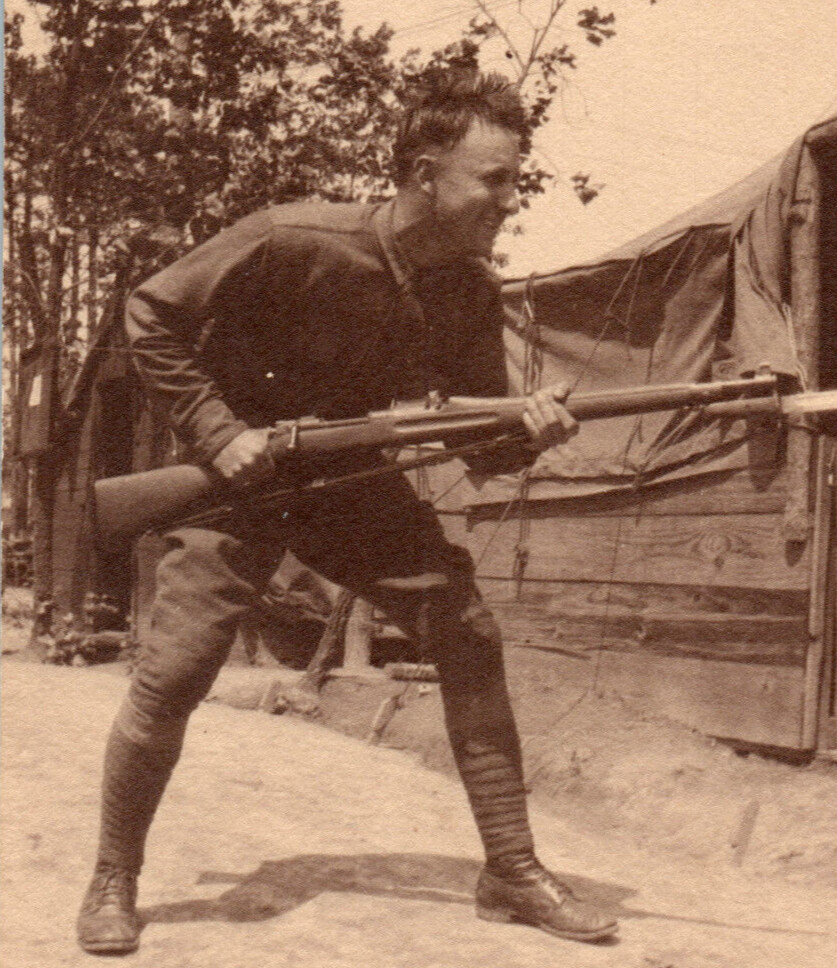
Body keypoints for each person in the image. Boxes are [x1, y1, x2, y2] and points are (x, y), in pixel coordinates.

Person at [76, 69, 619, 955]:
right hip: (239, 486)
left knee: (467, 632)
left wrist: (532, 433)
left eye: (513, 179)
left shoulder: (469, 291)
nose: (508, 199)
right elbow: (150, 312)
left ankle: (510, 870)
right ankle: (112, 877)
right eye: (494, 179)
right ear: (422, 173)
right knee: (172, 676)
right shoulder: (291, 238)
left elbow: (483, 442)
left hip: (354, 491)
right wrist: (218, 432)